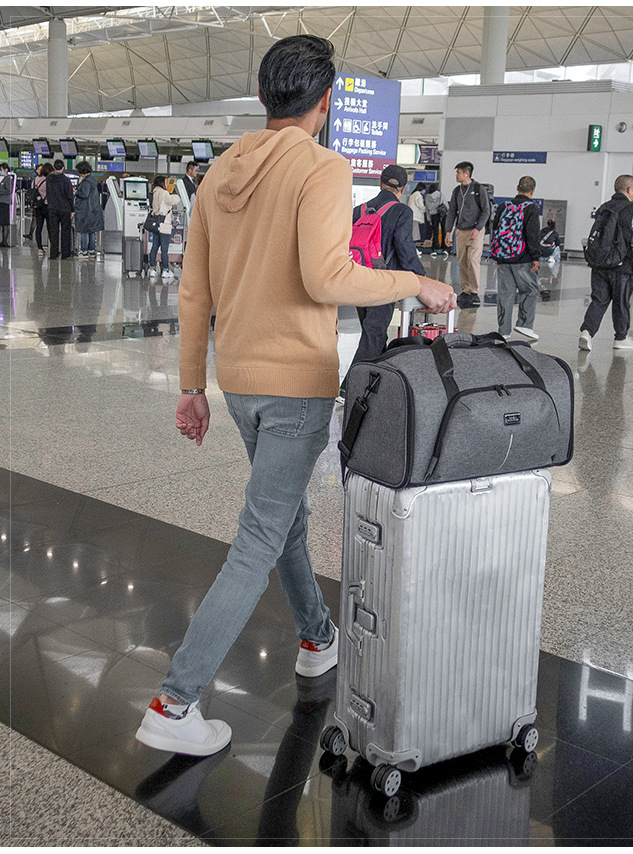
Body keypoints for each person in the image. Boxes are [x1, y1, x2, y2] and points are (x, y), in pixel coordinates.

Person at [134, 34, 455, 757]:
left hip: (239, 381)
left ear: (262, 96)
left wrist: (190, 385)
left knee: (283, 518)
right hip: (295, 385)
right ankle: (175, 702)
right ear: (327, 101)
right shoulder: (322, 167)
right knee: (261, 533)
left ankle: (317, 636)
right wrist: (415, 281)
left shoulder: (221, 170)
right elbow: (328, 277)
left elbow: (194, 292)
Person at [347, 164, 425, 369]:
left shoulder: (359, 210)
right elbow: (405, 248)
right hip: (384, 282)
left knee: (372, 332)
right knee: (374, 334)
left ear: (380, 182)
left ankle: (375, 378)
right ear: (404, 188)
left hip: (359, 277)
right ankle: (354, 381)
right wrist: (421, 278)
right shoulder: (402, 211)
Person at [579, 175, 633, 351]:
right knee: (621, 302)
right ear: (629, 190)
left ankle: (587, 332)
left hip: (600, 263)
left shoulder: (604, 208)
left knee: (598, 300)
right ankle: (621, 338)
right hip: (622, 266)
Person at [491, 175, 542, 341]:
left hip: (503, 257)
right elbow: (532, 234)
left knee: (505, 294)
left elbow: (495, 228)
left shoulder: (503, 206)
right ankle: (525, 325)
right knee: (531, 290)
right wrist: (536, 257)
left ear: (517, 188)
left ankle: (503, 331)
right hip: (522, 258)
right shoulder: (531, 208)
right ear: (532, 191)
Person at [444, 161, 491, 308]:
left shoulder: (479, 189)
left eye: (458, 172)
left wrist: (478, 228)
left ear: (467, 174)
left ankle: (474, 291)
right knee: (462, 261)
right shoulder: (457, 191)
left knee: (473, 260)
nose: (456, 175)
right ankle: (466, 290)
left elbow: (486, 211)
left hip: (475, 230)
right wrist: (448, 231)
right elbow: (452, 212)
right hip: (461, 230)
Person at [149, 175, 180, 279]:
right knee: (164, 249)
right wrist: (176, 195)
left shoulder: (154, 193)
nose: (167, 184)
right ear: (162, 183)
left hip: (155, 224)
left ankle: (152, 269)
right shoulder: (164, 193)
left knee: (154, 247)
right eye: (166, 182)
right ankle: (165, 270)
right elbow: (174, 200)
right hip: (165, 225)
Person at [45, 160, 74, 260]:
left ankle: (54, 253)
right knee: (65, 231)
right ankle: (65, 253)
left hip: (52, 208)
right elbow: (69, 196)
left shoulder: (48, 179)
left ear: (54, 167)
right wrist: (72, 209)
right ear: (63, 168)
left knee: (54, 231)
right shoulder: (66, 180)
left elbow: (48, 193)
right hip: (65, 209)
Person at [74, 162, 104, 258]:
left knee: (84, 231)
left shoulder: (86, 182)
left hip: (86, 210)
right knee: (91, 231)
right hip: (93, 210)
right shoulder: (92, 180)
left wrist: (76, 192)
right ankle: (91, 250)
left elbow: (84, 194)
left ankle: (84, 251)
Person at [31, 163, 52, 256]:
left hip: (38, 206)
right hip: (47, 206)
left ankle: (39, 247)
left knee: (39, 227)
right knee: (50, 227)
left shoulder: (35, 179)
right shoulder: (48, 181)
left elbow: (32, 190)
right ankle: (52, 247)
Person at [424, 183, 448, 257]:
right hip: (441, 214)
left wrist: (429, 219)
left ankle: (435, 248)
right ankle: (444, 248)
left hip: (433, 215)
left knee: (435, 232)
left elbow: (427, 209)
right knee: (443, 231)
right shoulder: (440, 194)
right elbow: (445, 204)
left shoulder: (427, 197)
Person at [407, 181, 427, 246]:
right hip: (415, 216)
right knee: (415, 233)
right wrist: (426, 209)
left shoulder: (413, 194)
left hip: (412, 215)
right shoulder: (418, 195)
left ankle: (413, 245)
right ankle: (414, 246)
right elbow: (421, 206)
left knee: (413, 232)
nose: (424, 191)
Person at [0, 164, 13, 247]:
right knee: (2, 222)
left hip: (4, 202)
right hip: (1, 202)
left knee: (4, 222)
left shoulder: (8, 179)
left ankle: (5, 240)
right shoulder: (2, 179)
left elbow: (9, 190)